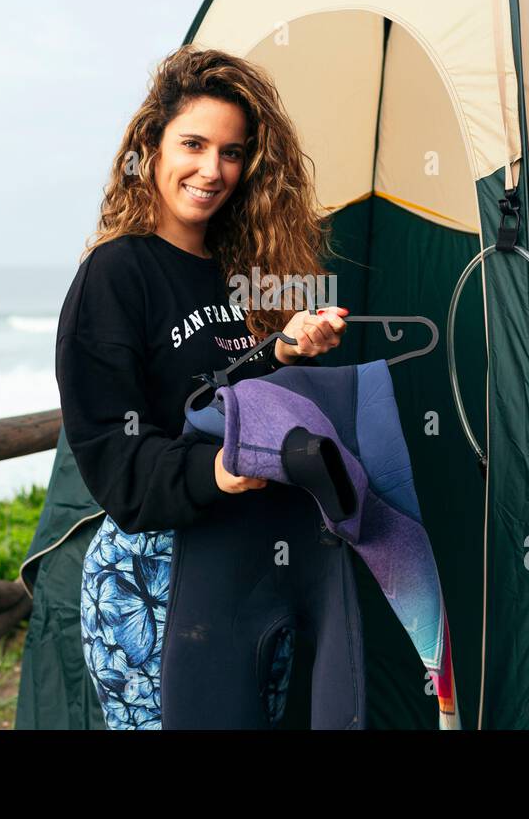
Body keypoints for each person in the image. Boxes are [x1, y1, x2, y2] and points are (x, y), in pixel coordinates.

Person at [55, 44, 349, 729]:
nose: (212, 170)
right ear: (151, 147)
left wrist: (283, 348)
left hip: (248, 576)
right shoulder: (114, 276)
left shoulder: (237, 269)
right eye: (193, 143)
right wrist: (220, 470)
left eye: (233, 152)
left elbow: (217, 397)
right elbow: (113, 456)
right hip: (152, 593)